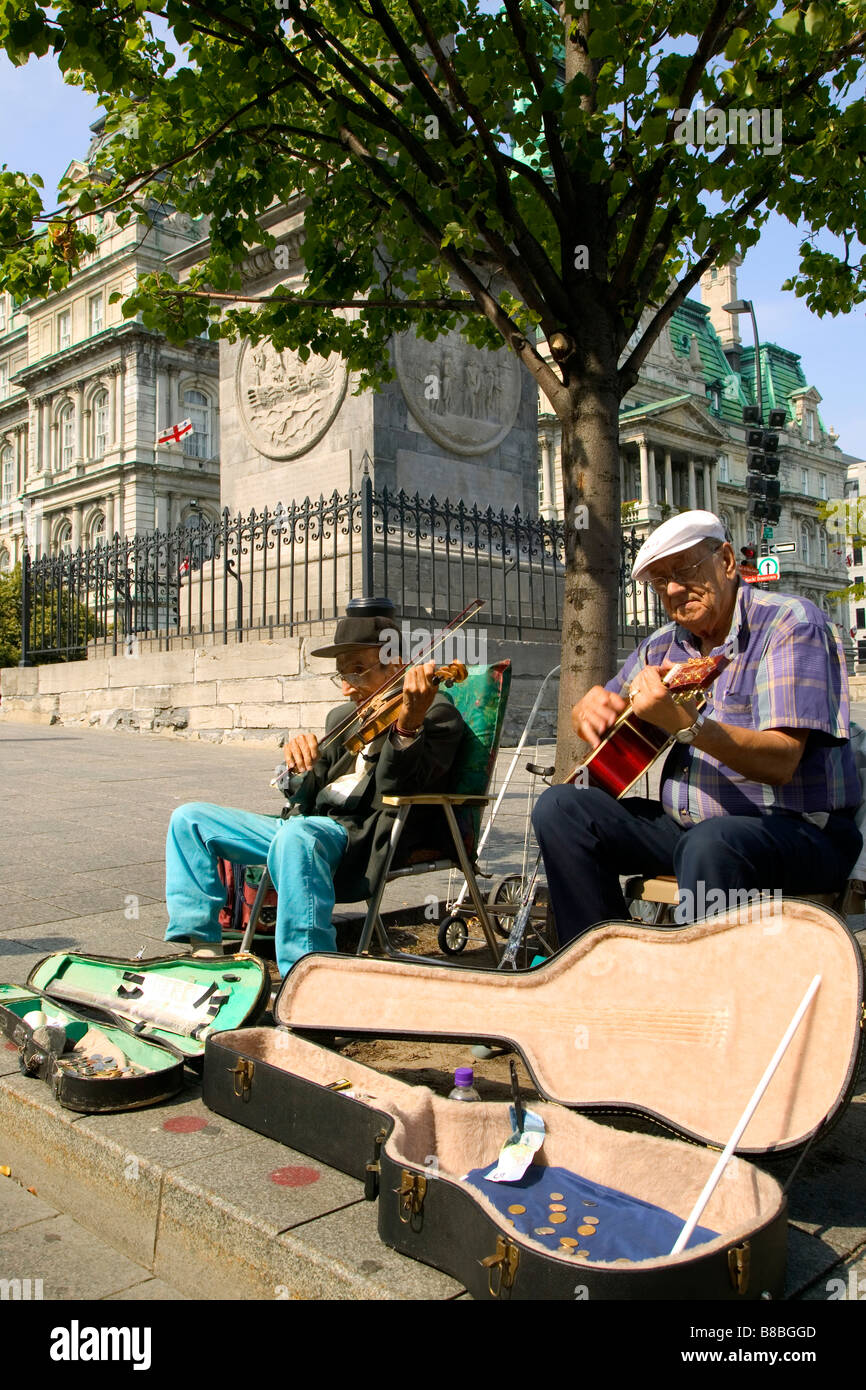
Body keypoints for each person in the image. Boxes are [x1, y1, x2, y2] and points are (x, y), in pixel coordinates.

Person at [532, 510, 862, 944]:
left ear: (726, 561)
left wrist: (689, 727)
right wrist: (591, 709)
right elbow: (611, 702)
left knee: (711, 843)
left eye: (683, 570)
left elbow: (782, 759)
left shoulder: (788, 624)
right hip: (690, 828)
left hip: (797, 829)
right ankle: (603, 969)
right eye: (658, 581)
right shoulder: (665, 644)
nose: (671, 589)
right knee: (561, 808)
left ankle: (704, 996)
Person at [164, 613, 466, 975]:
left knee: (297, 835)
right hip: (308, 828)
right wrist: (298, 768)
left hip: (362, 837)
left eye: (358, 671)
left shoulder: (437, 713)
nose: (347, 688)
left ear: (397, 666)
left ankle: (309, 975)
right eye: (342, 674)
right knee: (189, 820)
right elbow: (304, 799)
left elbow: (397, 790)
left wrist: (407, 726)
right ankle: (205, 951)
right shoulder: (344, 716)